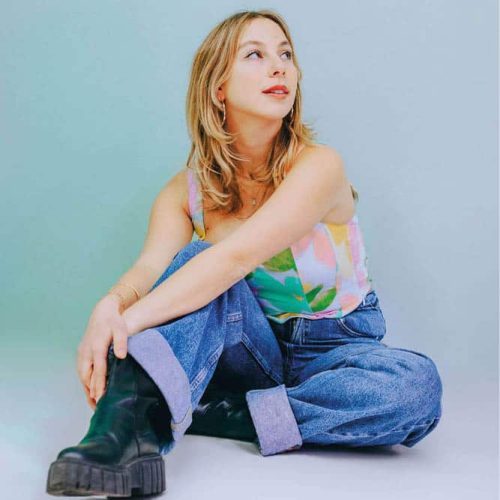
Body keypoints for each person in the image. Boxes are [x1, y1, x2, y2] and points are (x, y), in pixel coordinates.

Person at [46, 9, 443, 497]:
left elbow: (233, 259)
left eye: (286, 54)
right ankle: (120, 437)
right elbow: (150, 269)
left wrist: (124, 327)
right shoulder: (184, 193)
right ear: (218, 88)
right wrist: (109, 307)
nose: (279, 67)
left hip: (337, 350)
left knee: (415, 387)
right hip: (249, 349)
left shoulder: (319, 166)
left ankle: (223, 412)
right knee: (193, 260)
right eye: (255, 55)